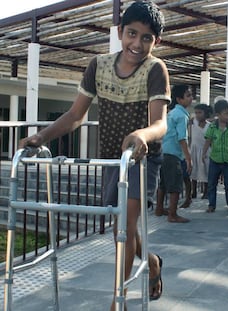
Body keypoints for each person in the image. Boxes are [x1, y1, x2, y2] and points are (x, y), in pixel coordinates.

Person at [19, 1, 168, 306]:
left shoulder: (155, 68)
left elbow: (160, 123)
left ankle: (118, 298)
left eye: (146, 38)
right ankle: (151, 262)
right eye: (131, 34)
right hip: (112, 159)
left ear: (156, 42)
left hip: (140, 158)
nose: (136, 43)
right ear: (119, 32)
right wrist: (42, 135)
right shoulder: (98, 66)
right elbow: (76, 114)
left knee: (123, 229)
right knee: (121, 227)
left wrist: (142, 135)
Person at [155, 84, 192, 222]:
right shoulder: (181, 116)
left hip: (164, 151)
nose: (191, 98)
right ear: (179, 99)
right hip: (174, 154)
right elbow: (182, 138)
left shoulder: (171, 113)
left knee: (164, 183)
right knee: (175, 185)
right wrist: (188, 158)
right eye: (188, 95)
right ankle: (172, 214)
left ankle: (159, 209)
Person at [203, 99, 228, 213]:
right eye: (226, 113)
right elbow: (208, 141)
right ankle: (211, 205)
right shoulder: (212, 127)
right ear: (218, 115)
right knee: (212, 184)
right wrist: (203, 153)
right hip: (214, 159)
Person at [190, 103, 212, 199]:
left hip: (205, 151)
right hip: (194, 150)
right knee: (194, 170)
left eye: (200, 112)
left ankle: (206, 191)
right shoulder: (192, 122)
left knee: (205, 170)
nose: (198, 115)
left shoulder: (210, 126)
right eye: (196, 113)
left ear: (205, 113)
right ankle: (193, 191)